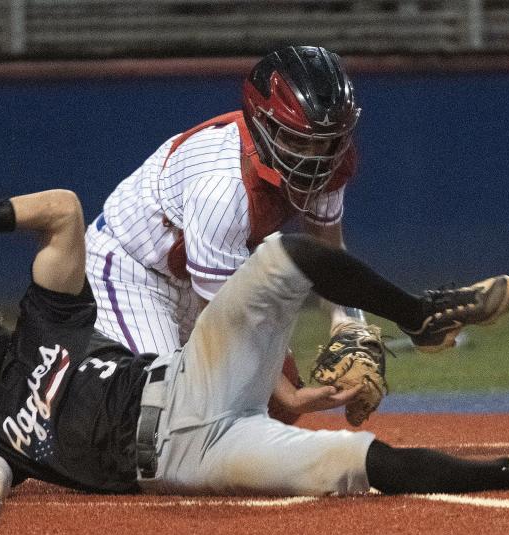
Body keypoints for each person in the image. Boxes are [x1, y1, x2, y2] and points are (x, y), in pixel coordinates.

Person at [0, 189, 509, 514]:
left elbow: (66, 212)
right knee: (346, 464)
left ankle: (419, 316)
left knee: (287, 257)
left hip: (186, 377)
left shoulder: (44, 316)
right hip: (184, 455)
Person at [85, 44, 384, 423]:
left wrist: (348, 321)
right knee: (157, 416)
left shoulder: (330, 161)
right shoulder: (222, 185)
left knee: (269, 410)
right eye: (297, 139)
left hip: (206, 274)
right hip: (135, 272)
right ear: (263, 125)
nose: (313, 155)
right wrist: (288, 394)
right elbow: (227, 318)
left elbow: (327, 249)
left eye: (324, 141)